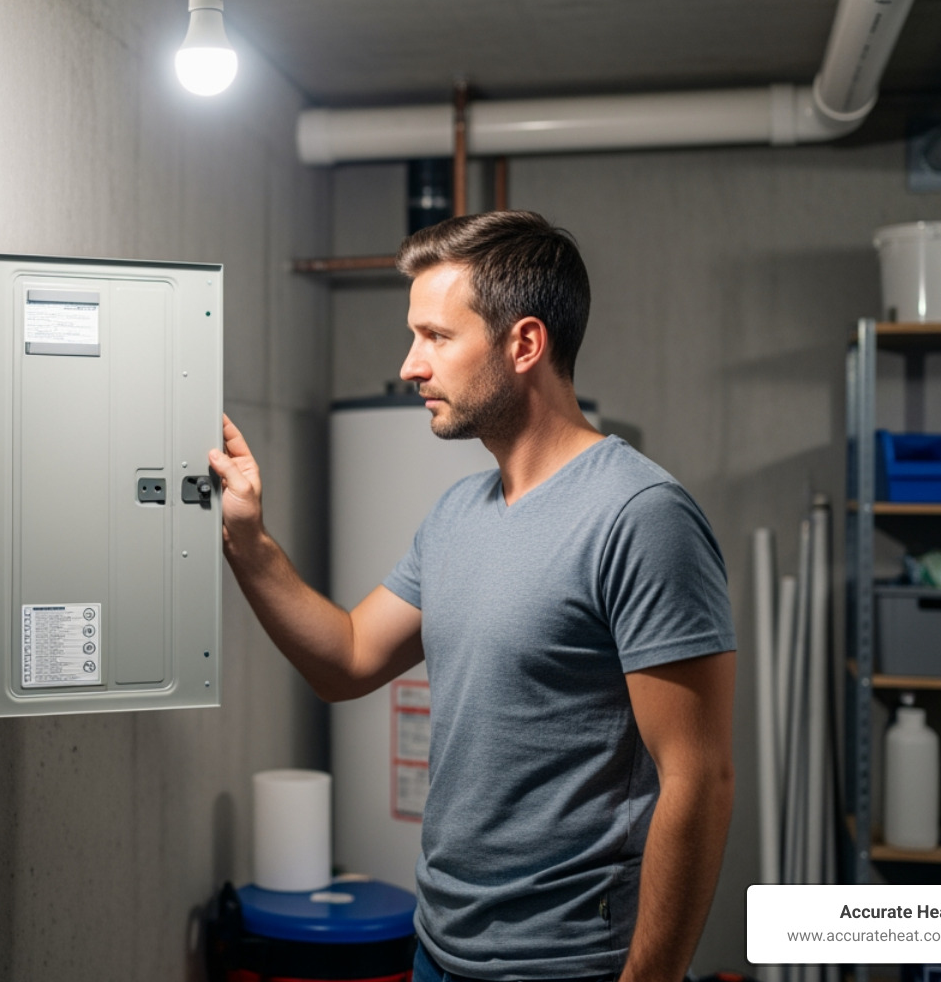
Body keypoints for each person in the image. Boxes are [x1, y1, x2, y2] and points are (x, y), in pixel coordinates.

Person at [209, 211, 736, 982]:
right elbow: (348, 660)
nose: (411, 366)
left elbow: (699, 779)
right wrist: (250, 545)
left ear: (524, 345)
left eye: (437, 337)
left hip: (570, 965)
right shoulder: (459, 513)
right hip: (440, 950)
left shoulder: (640, 516)